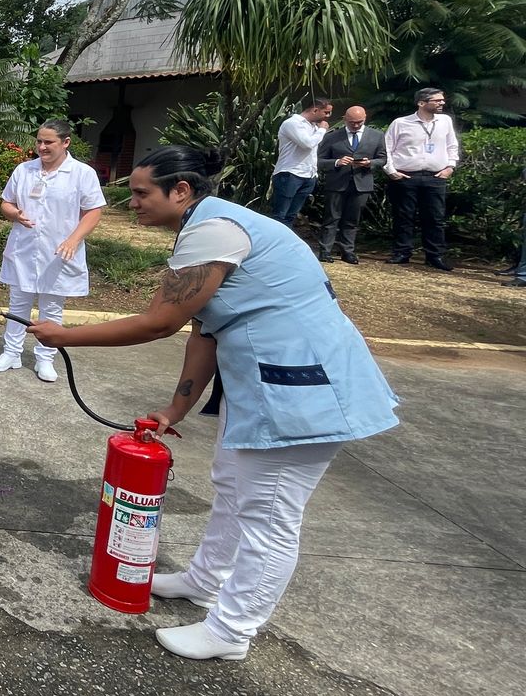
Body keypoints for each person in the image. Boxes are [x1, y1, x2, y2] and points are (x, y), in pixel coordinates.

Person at [28, 145, 399, 662]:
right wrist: (175, 410)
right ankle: (204, 581)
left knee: (268, 517)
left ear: (180, 190)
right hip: (263, 387)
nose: (132, 203)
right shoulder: (208, 227)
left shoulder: (214, 230)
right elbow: (204, 331)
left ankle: (232, 631)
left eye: (141, 192)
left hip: (303, 392)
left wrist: (65, 336)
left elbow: (160, 322)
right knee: (231, 486)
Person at [0, 119, 106, 383]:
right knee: (18, 303)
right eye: (39, 141)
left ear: (66, 142)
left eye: (48, 142)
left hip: (58, 253)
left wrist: (74, 239)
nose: (41, 147)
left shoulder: (81, 173)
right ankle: (11, 353)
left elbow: (93, 211)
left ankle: (45, 358)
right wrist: (15, 214)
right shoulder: (24, 170)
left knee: (51, 308)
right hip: (24, 249)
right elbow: (6, 202)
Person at [384, 87, 461, 270]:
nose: (442, 103)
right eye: (437, 100)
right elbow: (386, 148)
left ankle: (435, 256)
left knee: (435, 218)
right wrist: (391, 171)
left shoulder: (445, 121)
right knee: (403, 216)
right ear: (421, 103)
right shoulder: (401, 123)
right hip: (405, 176)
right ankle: (402, 252)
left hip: (435, 176)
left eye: (442, 100)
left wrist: (450, 166)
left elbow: (452, 145)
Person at [314, 106, 385, 264]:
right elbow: (319, 160)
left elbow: (383, 159)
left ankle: (347, 251)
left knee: (352, 219)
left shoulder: (377, 136)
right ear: (345, 119)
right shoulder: (332, 136)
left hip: (362, 183)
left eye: (359, 122)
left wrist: (370, 163)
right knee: (331, 218)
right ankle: (325, 250)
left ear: (365, 118)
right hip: (337, 183)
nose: (356, 125)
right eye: (352, 122)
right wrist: (337, 162)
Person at [269, 96, 333, 226]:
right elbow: (307, 144)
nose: (328, 116)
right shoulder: (293, 123)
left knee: (291, 215)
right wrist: (322, 130)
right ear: (315, 110)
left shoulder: (314, 126)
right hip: (290, 174)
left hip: (308, 175)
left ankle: (286, 238)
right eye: (326, 112)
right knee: (279, 215)